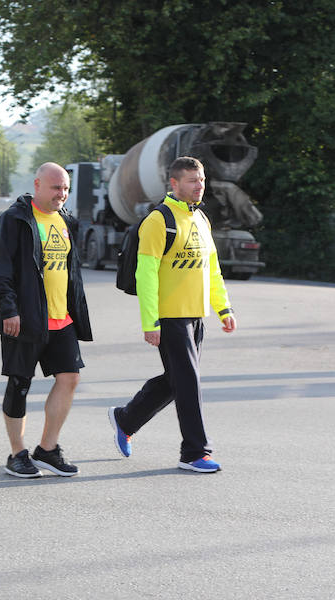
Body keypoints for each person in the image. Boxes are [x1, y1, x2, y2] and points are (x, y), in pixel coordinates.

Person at [108, 156, 236, 473]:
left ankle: (126, 418)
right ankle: (195, 452)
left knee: (177, 380)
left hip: (196, 316)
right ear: (174, 184)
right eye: (192, 180)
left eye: (202, 179)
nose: (199, 185)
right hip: (169, 317)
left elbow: (213, 269)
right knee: (188, 383)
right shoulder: (158, 221)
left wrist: (223, 307)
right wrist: (150, 321)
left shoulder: (201, 220)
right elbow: (147, 276)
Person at [0, 163, 94, 478]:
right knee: (20, 383)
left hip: (62, 318)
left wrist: (77, 311)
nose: (61, 194)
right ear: (37, 184)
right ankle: (17, 453)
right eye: (56, 188)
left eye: (65, 189)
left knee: (70, 378)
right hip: (25, 317)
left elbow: (70, 272)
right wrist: (9, 309)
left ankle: (47, 449)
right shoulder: (15, 220)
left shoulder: (65, 222)